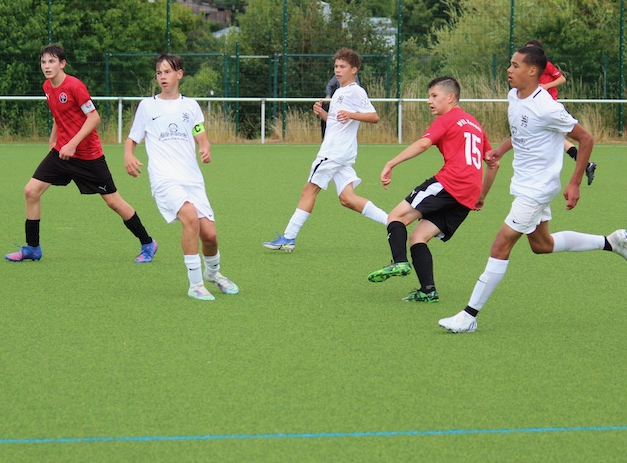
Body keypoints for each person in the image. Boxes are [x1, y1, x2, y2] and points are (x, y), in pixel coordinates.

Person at [438, 45, 627, 334]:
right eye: (510, 64)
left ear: (532, 71)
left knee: (500, 245)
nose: (509, 69)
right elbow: (521, 132)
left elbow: (586, 139)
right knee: (542, 245)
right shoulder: (513, 96)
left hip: (537, 189)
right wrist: (501, 150)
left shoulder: (548, 108)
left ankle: (468, 316)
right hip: (523, 184)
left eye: (515, 65)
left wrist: (574, 182)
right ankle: (611, 242)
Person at [5, 44, 155, 263]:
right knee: (31, 191)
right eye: (44, 62)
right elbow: (58, 115)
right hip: (62, 152)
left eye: (52, 61)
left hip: (88, 156)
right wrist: (54, 140)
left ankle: (148, 243)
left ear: (62, 63)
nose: (47, 66)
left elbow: (94, 118)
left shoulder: (75, 86)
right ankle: (32, 248)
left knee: (113, 202)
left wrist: (73, 144)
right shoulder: (47, 86)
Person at [367, 76, 497, 302]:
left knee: (396, 217)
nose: (429, 101)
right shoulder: (474, 124)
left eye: (434, 96)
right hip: (469, 194)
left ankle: (399, 261)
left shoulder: (448, 118)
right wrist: (482, 196)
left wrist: (391, 163)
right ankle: (428, 290)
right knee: (419, 236)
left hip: (451, 182)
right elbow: (493, 163)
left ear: (450, 97)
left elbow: (424, 143)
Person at [124, 54, 238, 301]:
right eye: (159, 73)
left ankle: (213, 274)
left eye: (167, 72)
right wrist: (128, 155)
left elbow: (200, 134)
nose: (162, 77)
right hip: (164, 178)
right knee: (190, 217)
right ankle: (195, 284)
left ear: (179, 74)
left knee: (210, 235)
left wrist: (205, 147)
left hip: (192, 179)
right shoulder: (147, 106)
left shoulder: (191, 106)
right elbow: (133, 138)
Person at [263, 48, 388, 251]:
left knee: (309, 190)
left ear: (354, 69)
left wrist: (351, 114)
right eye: (336, 66)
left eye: (342, 66)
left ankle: (288, 237)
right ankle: (393, 221)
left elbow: (374, 117)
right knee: (347, 199)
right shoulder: (339, 91)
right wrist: (322, 112)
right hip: (341, 153)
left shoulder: (355, 91)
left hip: (333, 152)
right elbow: (335, 122)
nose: (337, 70)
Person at [523, 40, 596, 186]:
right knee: (556, 140)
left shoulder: (546, 65)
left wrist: (546, 86)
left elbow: (562, 79)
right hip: (537, 107)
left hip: (548, 107)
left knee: (551, 139)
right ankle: (587, 165)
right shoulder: (528, 69)